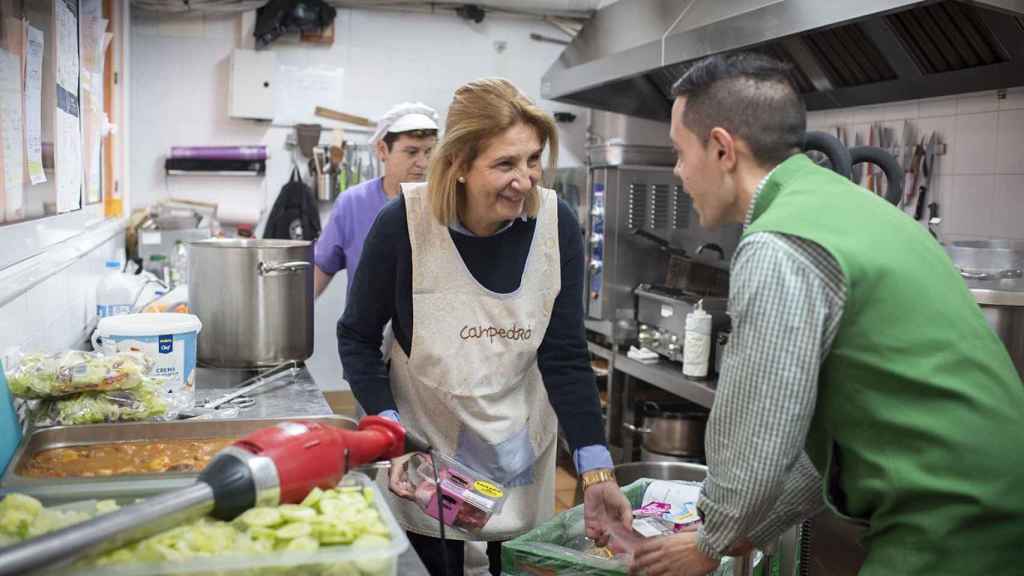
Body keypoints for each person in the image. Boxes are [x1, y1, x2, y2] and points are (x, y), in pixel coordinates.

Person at [631, 52, 1024, 576]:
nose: (678, 173)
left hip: (951, 518)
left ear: (722, 148)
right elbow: (817, 446)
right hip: (992, 502)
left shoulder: (781, 242)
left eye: (680, 153)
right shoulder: (850, 207)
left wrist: (712, 539)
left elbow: (759, 426)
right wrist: (747, 530)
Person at [339, 78, 632, 576]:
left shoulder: (554, 223)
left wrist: (595, 466)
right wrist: (391, 431)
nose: (525, 180)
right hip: (428, 457)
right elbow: (357, 337)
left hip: (521, 451)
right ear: (457, 166)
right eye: (504, 164)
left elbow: (563, 352)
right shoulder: (402, 226)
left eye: (533, 160)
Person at [314, 102, 439, 298]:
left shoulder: (444, 204)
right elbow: (320, 270)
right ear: (382, 150)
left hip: (426, 326)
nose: (423, 163)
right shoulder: (353, 203)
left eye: (429, 152)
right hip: (366, 327)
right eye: (412, 152)